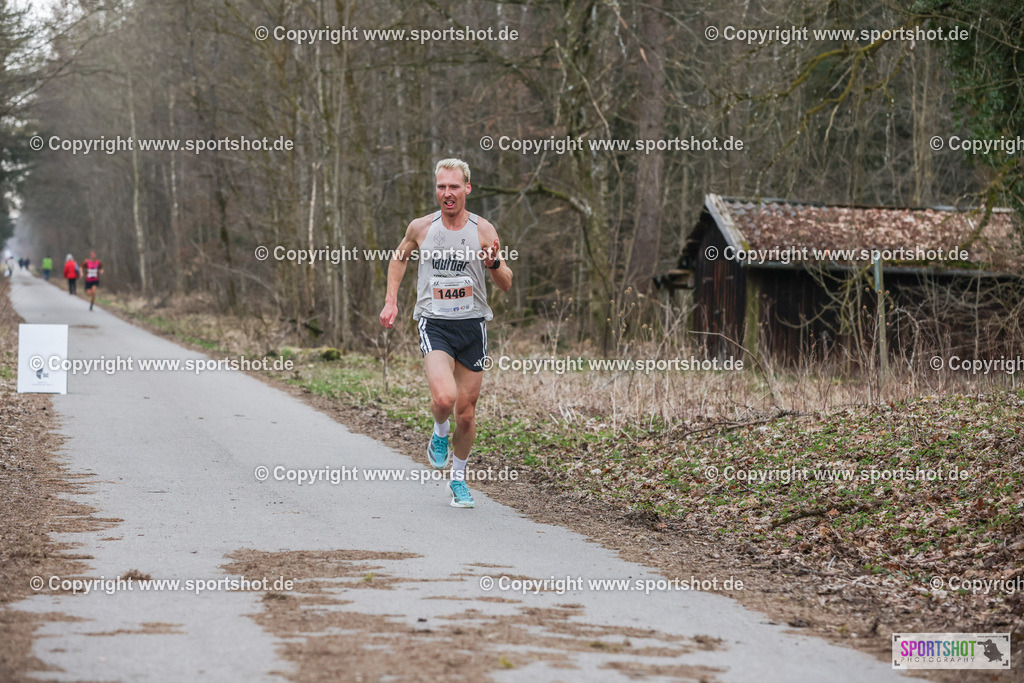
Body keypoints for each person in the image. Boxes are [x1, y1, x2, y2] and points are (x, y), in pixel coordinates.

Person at [379, 158, 512, 508]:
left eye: (454, 187)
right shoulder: (422, 227)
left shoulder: (484, 230)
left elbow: (507, 283)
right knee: (444, 399)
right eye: (442, 187)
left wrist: (493, 263)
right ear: (436, 189)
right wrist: (391, 301)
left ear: (467, 188)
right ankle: (439, 432)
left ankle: (458, 478)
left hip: (472, 326)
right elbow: (399, 257)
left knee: (466, 414)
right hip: (434, 323)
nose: (447, 193)